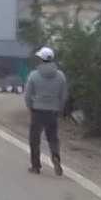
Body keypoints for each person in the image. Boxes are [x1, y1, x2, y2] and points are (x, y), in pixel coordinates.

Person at [23, 46, 67, 176]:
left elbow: (27, 95)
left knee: (34, 139)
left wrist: (30, 107)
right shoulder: (60, 76)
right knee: (53, 138)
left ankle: (36, 166)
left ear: (41, 59)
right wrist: (59, 108)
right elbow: (63, 95)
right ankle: (55, 156)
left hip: (38, 110)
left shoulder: (34, 75)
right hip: (53, 111)